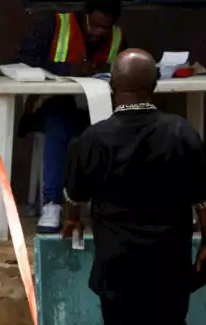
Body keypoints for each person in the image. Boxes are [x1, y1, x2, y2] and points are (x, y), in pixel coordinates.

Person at [61, 49, 206, 325]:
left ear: (112, 87)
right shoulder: (181, 132)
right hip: (168, 261)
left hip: (117, 263)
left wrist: (72, 220)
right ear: (155, 85)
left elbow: (73, 196)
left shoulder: (93, 138)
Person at [16, 0, 126, 233]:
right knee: (59, 125)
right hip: (48, 106)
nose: (98, 33)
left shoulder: (117, 36)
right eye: (94, 25)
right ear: (85, 14)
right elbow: (24, 60)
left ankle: (109, 204)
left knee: (120, 127)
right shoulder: (55, 25)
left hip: (94, 107)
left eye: (105, 28)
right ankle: (53, 204)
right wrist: (66, 69)